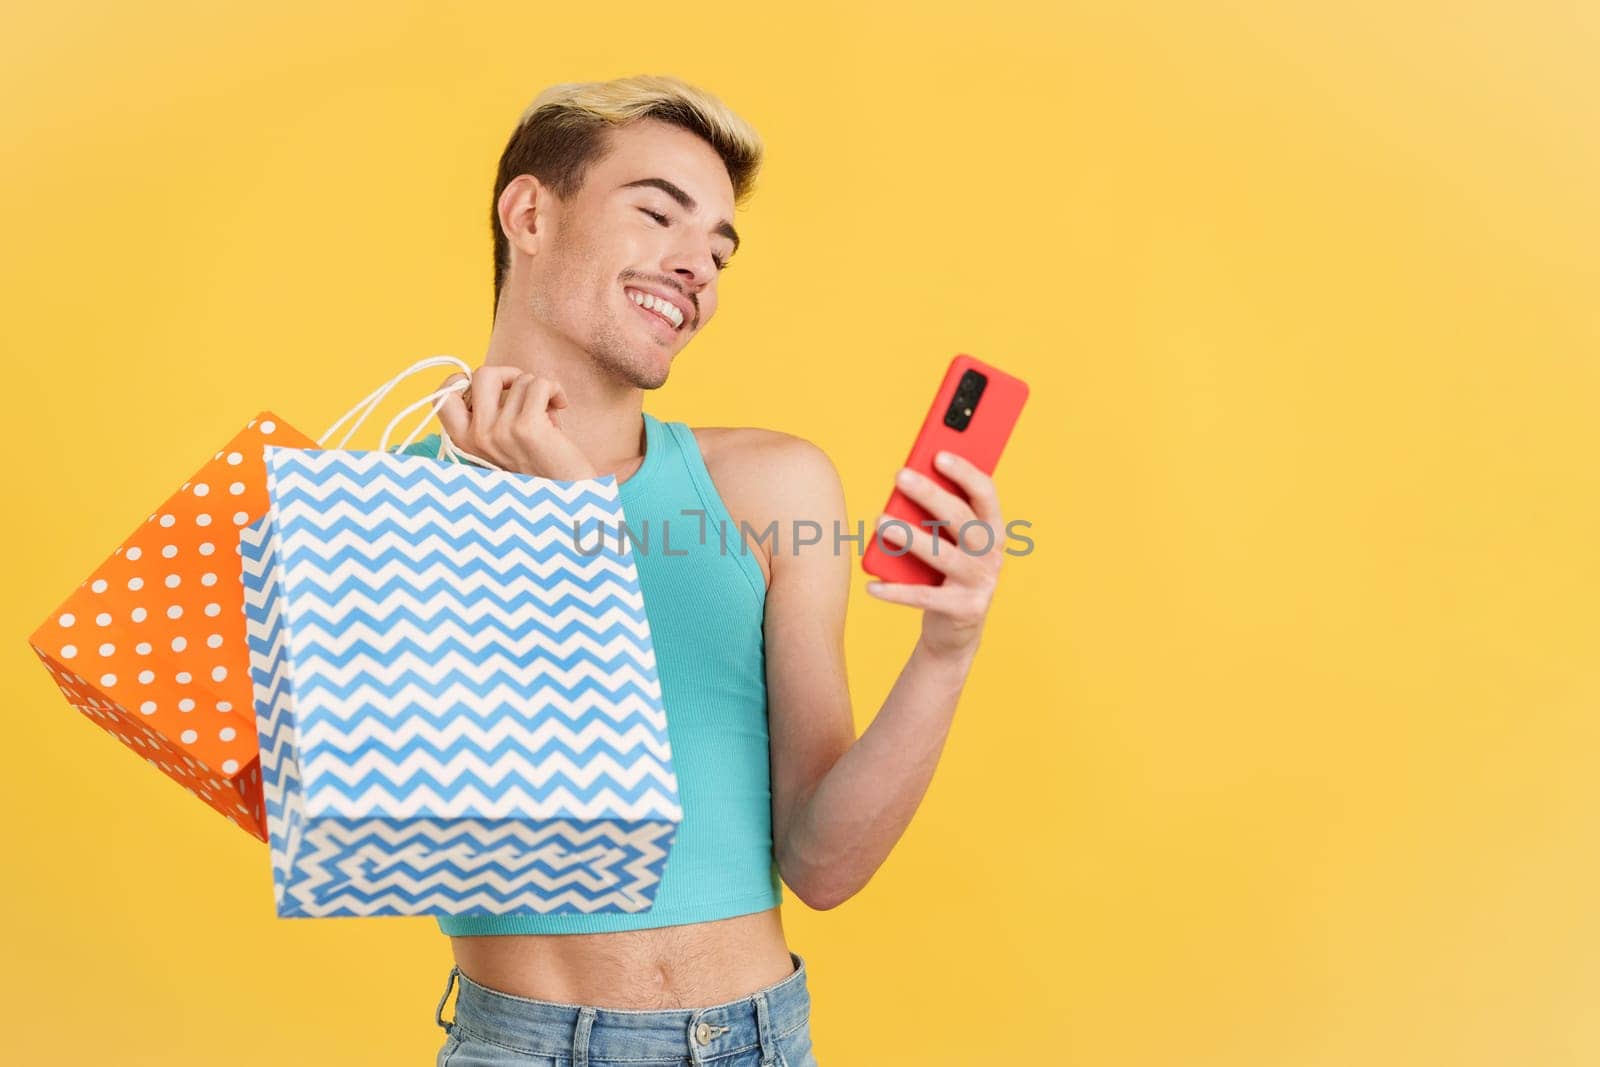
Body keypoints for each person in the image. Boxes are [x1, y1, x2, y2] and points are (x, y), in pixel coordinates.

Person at [400, 74, 1012, 1067]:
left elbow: (823, 863)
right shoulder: (385, 517)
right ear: (529, 212)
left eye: (720, 251)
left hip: (757, 1039)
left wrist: (947, 650)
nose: (697, 270)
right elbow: (499, 826)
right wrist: (567, 521)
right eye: (657, 215)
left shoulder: (773, 487)